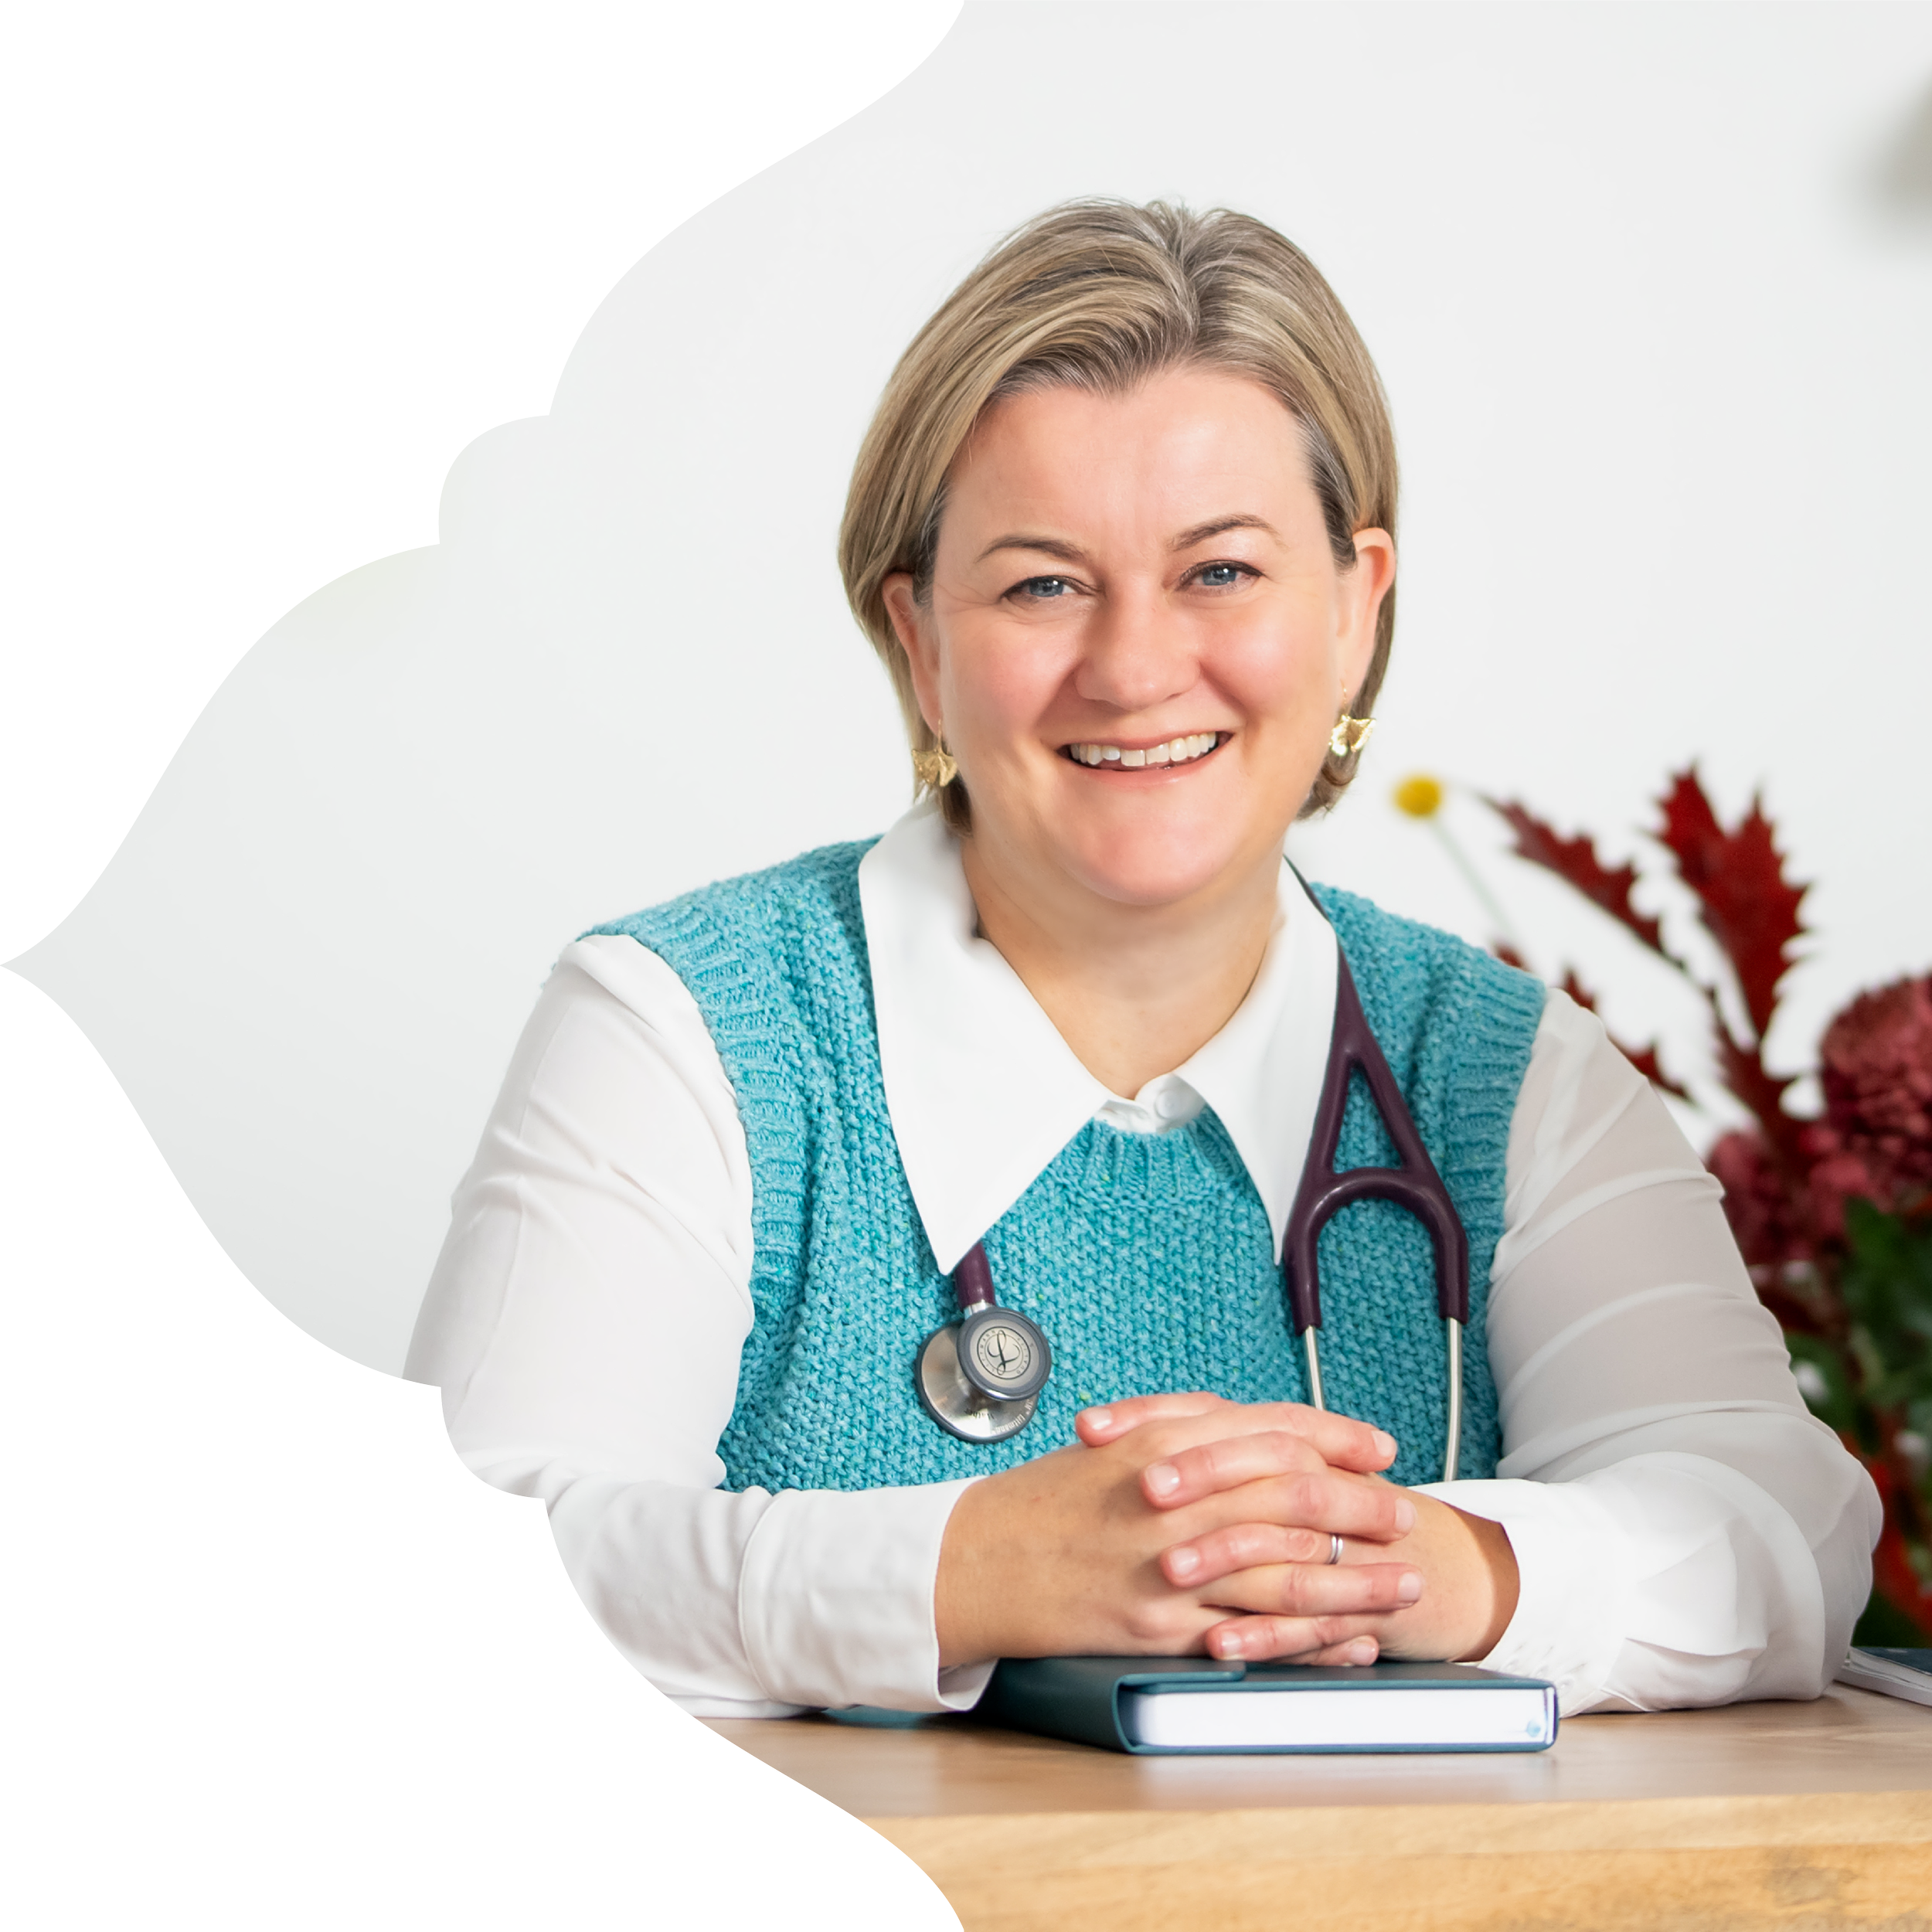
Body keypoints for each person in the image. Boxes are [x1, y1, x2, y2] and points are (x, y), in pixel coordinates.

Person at [406, 199, 1878, 1720]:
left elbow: (1776, 1526)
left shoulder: (1503, 1072)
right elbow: (459, 1570)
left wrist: (1408, 1561)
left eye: (1219, 571)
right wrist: (971, 1568)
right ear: (916, 637)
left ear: (1354, 606)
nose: (1129, 665)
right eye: (1040, 581)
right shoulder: (688, 1025)